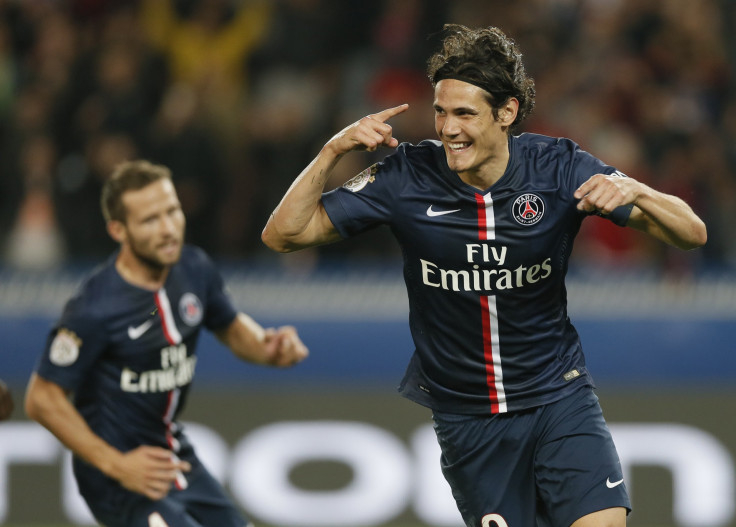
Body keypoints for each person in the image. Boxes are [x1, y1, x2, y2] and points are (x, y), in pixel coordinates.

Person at [261, 24, 707, 527]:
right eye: (441, 112)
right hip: (469, 421)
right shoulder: (406, 176)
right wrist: (331, 153)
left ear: (507, 112)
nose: (448, 128)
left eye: (465, 113)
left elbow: (692, 233)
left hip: (558, 397)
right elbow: (284, 235)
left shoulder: (559, 169)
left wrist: (640, 193)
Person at [26, 160, 308, 527]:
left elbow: (232, 328)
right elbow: (42, 398)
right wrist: (118, 464)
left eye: (172, 212)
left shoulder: (193, 268)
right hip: (117, 478)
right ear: (118, 230)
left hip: (170, 453)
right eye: (149, 220)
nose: (168, 229)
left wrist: (269, 347)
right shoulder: (94, 308)